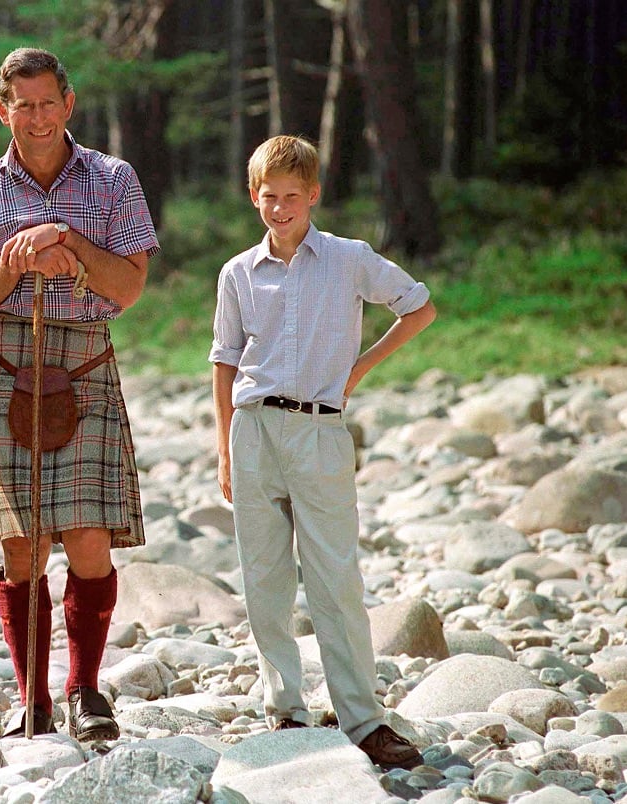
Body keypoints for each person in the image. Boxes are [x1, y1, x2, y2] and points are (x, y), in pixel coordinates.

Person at [0, 47, 159, 741]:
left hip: (86, 360)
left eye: (46, 102)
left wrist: (67, 239)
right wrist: (17, 259)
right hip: (6, 361)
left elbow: (127, 286)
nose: (35, 117)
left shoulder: (115, 180)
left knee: (89, 539)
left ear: (69, 103)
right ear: (3, 109)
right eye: (20, 105)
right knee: (21, 547)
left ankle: (85, 691)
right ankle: (31, 698)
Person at [210, 135, 435, 770]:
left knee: (335, 577)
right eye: (268, 197)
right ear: (254, 198)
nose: (280, 208)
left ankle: (364, 720)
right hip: (253, 430)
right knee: (265, 578)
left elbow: (418, 308)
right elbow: (225, 360)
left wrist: (358, 371)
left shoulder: (348, 259)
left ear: (313, 195)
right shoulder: (237, 274)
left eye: (291, 197)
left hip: (320, 431)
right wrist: (225, 449)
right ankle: (284, 710)